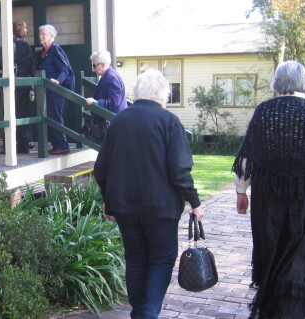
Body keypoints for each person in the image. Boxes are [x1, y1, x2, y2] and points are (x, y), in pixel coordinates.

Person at [233, 60, 305, 319]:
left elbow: (246, 160)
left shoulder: (265, 112)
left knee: (270, 248)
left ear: (277, 83)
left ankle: (272, 310)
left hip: (267, 197)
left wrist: (241, 193)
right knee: (300, 253)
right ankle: (295, 311)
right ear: (304, 82)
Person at [94, 69, 204, 319]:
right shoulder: (169, 121)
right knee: (162, 259)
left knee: (135, 260)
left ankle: (139, 312)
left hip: (125, 207)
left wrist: (107, 200)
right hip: (161, 209)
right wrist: (194, 202)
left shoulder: (119, 120)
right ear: (162, 94)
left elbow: (101, 169)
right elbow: (179, 170)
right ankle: (148, 314)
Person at [37, 24, 74, 155]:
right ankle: (58, 145)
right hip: (48, 90)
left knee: (55, 117)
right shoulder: (43, 52)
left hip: (57, 90)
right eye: (39, 34)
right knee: (51, 116)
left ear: (51, 35)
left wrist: (58, 81)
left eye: (43, 34)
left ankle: (62, 145)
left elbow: (65, 68)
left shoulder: (55, 49)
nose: (40, 37)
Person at [1, 21, 35, 155]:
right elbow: (31, 65)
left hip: (13, 83)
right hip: (25, 83)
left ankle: (9, 146)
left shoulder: (10, 45)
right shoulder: (26, 45)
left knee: (9, 114)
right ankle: (24, 145)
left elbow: (2, 65)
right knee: (23, 114)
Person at [84, 50, 127, 142]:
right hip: (114, 121)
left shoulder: (110, 77)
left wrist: (97, 102)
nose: (93, 68)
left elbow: (115, 100)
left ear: (103, 65)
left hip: (114, 122)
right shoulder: (109, 75)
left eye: (94, 65)